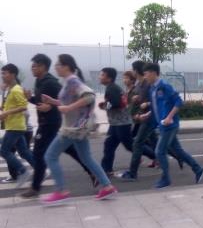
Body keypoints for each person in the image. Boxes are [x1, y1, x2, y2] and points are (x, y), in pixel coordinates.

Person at [40, 54, 117, 203]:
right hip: (78, 127)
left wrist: (69, 108)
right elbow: (69, 100)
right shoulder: (68, 82)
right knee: (86, 158)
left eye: (58, 64)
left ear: (66, 66)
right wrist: (53, 101)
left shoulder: (73, 81)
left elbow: (89, 97)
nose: (56, 67)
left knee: (50, 156)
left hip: (73, 128)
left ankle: (61, 191)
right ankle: (107, 186)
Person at [20, 54, 97, 198]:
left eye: (34, 66)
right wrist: (30, 99)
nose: (32, 69)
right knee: (71, 150)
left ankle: (38, 188)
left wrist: (51, 107)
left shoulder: (51, 83)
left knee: (40, 154)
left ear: (43, 67)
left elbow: (66, 100)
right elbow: (42, 102)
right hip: (50, 123)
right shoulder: (40, 81)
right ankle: (93, 173)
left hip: (51, 124)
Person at [140, 63, 203, 188]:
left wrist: (169, 117)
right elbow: (156, 106)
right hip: (162, 125)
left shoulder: (164, 86)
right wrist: (148, 114)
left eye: (146, 74)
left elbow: (178, 101)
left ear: (153, 73)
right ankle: (198, 169)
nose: (145, 77)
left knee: (159, 152)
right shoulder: (152, 89)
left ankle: (166, 179)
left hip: (170, 125)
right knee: (178, 151)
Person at [99, 67, 150, 176]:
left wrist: (104, 106)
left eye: (102, 75)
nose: (100, 77)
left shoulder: (111, 88)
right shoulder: (112, 87)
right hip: (116, 123)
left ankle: (156, 155)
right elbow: (119, 102)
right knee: (109, 145)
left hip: (122, 123)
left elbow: (117, 103)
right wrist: (106, 105)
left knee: (130, 145)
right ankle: (106, 169)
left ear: (109, 78)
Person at [0, 64, 35, 187]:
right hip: (14, 126)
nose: (2, 76)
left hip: (15, 126)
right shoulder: (11, 89)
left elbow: (23, 106)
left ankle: (23, 171)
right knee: (23, 151)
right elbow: (9, 106)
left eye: (5, 73)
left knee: (4, 151)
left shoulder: (16, 89)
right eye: (2, 73)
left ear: (13, 74)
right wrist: (4, 111)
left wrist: (6, 113)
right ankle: (40, 168)